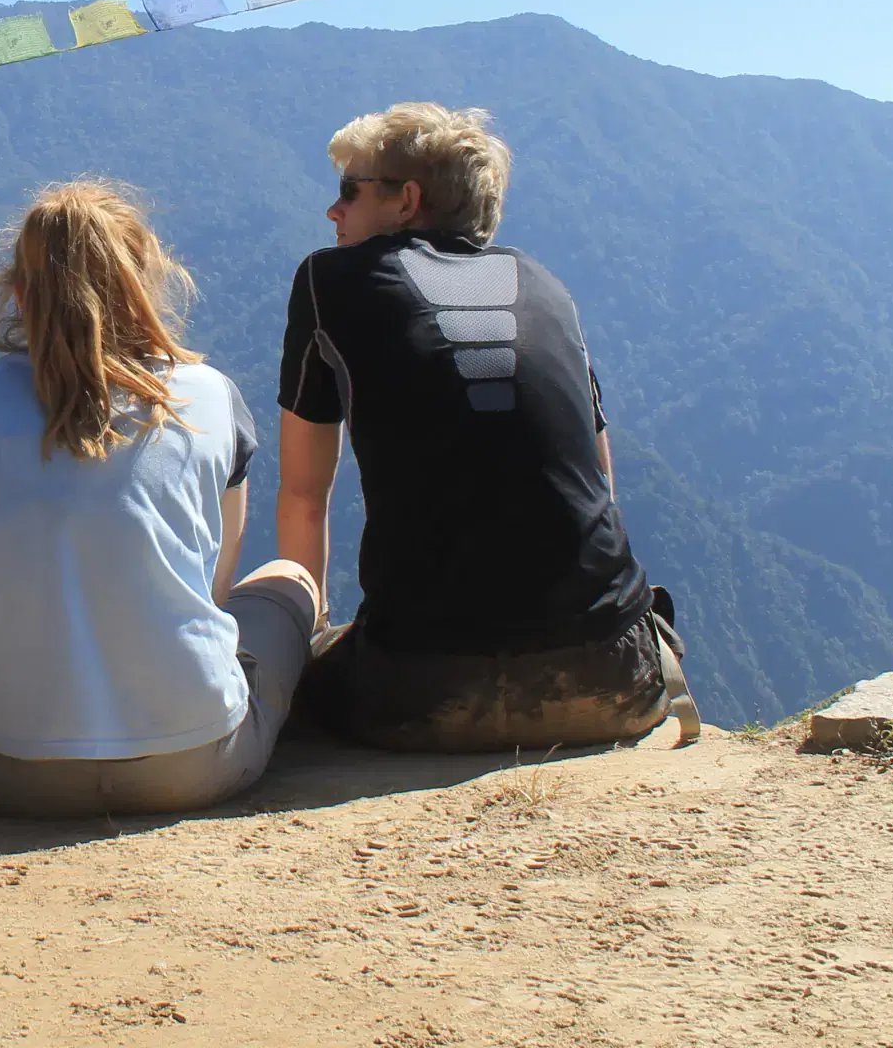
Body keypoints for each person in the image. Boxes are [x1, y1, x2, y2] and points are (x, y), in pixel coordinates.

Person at [0, 181, 322, 817]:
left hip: (8, 773)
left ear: (15, 295)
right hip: (194, 762)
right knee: (288, 578)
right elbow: (213, 583)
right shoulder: (211, 399)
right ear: (142, 286)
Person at [276, 102, 698, 751]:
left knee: (275, 628)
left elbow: (305, 497)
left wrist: (309, 645)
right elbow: (601, 491)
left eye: (348, 192)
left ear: (405, 201)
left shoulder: (328, 282)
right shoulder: (546, 287)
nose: (332, 212)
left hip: (417, 693)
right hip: (613, 678)